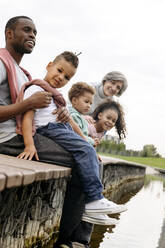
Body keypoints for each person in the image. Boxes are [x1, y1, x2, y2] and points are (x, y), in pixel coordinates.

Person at [0, 16, 93, 248]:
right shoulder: (2, 64)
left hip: (24, 132)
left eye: (35, 33)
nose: (32, 35)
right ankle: (69, 239)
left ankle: (74, 238)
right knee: (83, 160)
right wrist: (26, 105)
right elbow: (26, 108)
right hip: (9, 137)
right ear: (9, 33)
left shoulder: (23, 73)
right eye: (26, 30)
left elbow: (37, 110)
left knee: (87, 158)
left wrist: (58, 114)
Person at [17, 51, 127, 225]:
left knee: (87, 150)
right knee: (85, 150)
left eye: (67, 77)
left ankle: (92, 208)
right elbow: (27, 117)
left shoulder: (54, 96)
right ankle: (94, 200)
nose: (61, 77)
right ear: (49, 65)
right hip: (49, 129)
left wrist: (85, 140)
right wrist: (29, 145)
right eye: (59, 70)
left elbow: (70, 122)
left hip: (59, 128)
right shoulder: (37, 89)